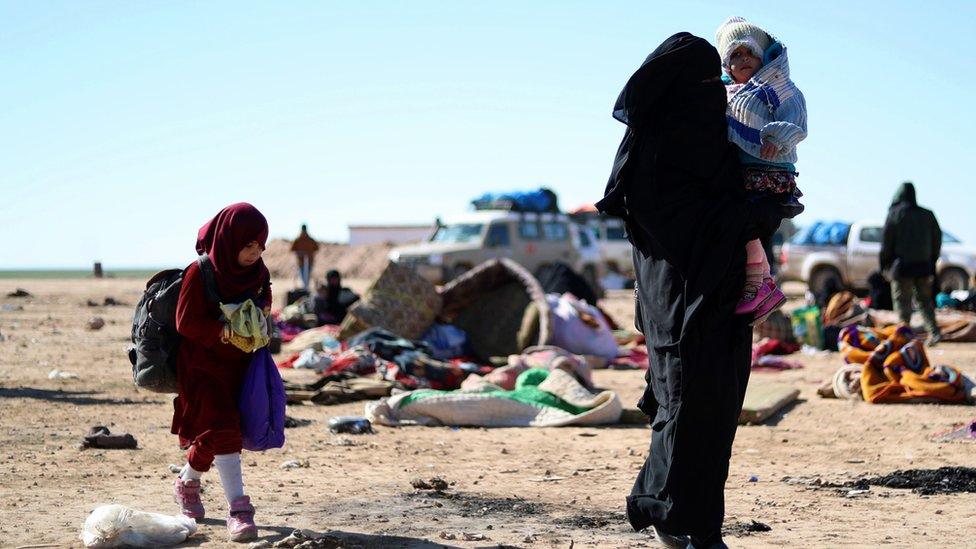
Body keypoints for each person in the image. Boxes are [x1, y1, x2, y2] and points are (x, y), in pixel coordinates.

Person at [598, 33, 783, 548]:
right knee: (684, 405)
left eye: (714, 81)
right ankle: (675, 518)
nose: (711, 92)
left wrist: (764, 206)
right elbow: (688, 224)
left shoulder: (715, 143)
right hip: (678, 301)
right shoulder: (653, 155)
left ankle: (687, 517)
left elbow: (730, 208)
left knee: (716, 409)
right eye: (701, 82)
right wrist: (755, 216)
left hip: (718, 299)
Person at [171, 203, 272, 542]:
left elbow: (265, 301)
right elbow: (185, 322)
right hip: (202, 366)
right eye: (248, 245)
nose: (255, 253)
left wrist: (261, 316)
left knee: (214, 435)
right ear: (230, 240)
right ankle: (239, 511)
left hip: (241, 366)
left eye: (260, 246)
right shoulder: (200, 273)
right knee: (226, 429)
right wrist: (226, 332)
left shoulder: (258, 272)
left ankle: (187, 483)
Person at [716, 17, 808, 324]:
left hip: (771, 171)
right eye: (735, 56)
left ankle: (760, 285)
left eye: (749, 53)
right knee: (744, 229)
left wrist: (775, 137)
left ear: (762, 56)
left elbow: (796, 117)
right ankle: (762, 284)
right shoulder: (728, 93)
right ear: (726, 65)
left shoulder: (774, 85)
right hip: (746, 174)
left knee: (744, 224)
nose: (743, 60)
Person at [880, 182, 943, 345]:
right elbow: (937, 238)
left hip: (902, 268)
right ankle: (934, 332)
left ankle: (904, 334)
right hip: (923, 266)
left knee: (902, 304)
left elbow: (886, 242)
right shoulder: (927, 215)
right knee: (925, 302)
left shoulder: (895, 214)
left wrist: (884, 264)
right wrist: (932, 260)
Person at [290, 224, 320, 291]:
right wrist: (300, 253)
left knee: (308, 277)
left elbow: (316, 248)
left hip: (309, 262)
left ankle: (306, 289)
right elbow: (293, 250)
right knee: (302, 277)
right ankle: (304, 289)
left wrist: (309, 254)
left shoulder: (310, 240)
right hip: (301, 263)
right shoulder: (298, 240)